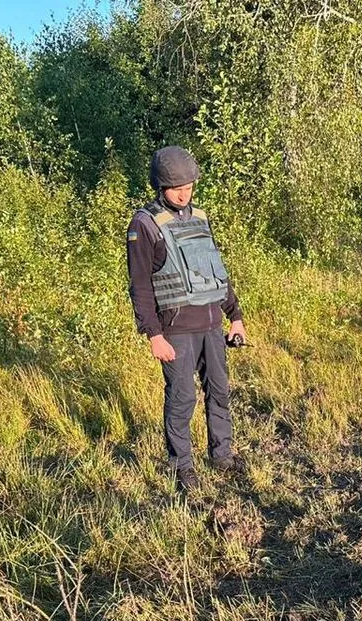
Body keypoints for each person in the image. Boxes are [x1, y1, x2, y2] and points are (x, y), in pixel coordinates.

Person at [126, 146, 247, 492]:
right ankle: (182, 467)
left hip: (211, 325)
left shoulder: (200, 217)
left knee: (219, 391)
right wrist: (153, 335)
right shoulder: (144, 224)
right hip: (176, 331)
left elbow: (216, 273)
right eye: (176, 187)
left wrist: (235, 316)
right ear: (159, 186)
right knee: (182, 398)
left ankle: (221, 455)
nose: (184, 193)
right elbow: (140, 286)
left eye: (189, 186)